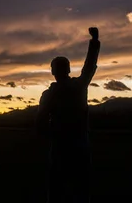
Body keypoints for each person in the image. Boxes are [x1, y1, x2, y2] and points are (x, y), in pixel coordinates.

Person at [36, 27, 101, 202]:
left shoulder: (50, 94)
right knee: (80, 187)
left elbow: (40, 120)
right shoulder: (78, 87)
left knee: (58, 187)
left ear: (53, 71)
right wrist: (94, 42)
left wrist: (47, 133)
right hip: (78, 143)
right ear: (69, 70)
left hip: (62, 144)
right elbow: (89, 67)